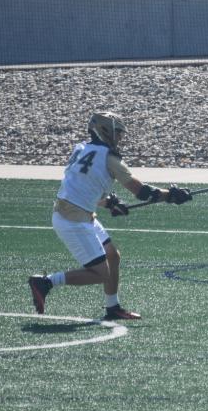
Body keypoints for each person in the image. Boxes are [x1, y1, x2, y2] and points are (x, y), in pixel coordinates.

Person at [28, 111, 193, 320]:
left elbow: (81, 187)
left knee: (112, 256)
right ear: (106, 131)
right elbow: (142, 191)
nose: (120, 138)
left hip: (75, 213)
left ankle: (112, 307)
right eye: (119, 133)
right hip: (74, 221)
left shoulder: (82, 148)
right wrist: (171, 195)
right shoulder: (109, 158)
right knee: (100, 273)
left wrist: (110, 203)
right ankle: (46, 282)